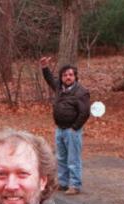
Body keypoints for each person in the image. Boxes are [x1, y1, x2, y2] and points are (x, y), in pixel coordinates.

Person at [40, 57, 91, 196]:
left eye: (70, 75)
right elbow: (50, 79)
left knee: (73, 159)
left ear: (75, 76)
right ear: (61, 77)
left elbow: (85, 112)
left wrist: (75, 127)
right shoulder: (59, 88)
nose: (68, 77)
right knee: (61, 158)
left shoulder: (81, 92)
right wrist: (45, 67)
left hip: (72, 130)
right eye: (65, 75)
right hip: (60, 129)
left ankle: (75, 185)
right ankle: (63, 183)